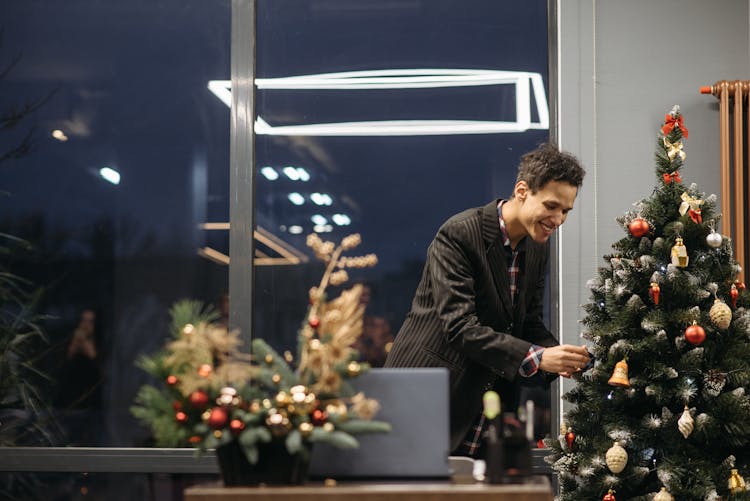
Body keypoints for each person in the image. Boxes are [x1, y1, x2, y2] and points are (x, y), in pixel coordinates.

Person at [384, 142, 591, 457]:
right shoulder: (459, 234)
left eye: (566, 210)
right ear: (522, 190)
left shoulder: (537, 248)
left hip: (484, 403)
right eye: (551, 206)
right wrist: (537, 358)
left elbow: (528, 325)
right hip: (426, 396)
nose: (558, 219)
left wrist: (562, 360)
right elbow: (460, 327)